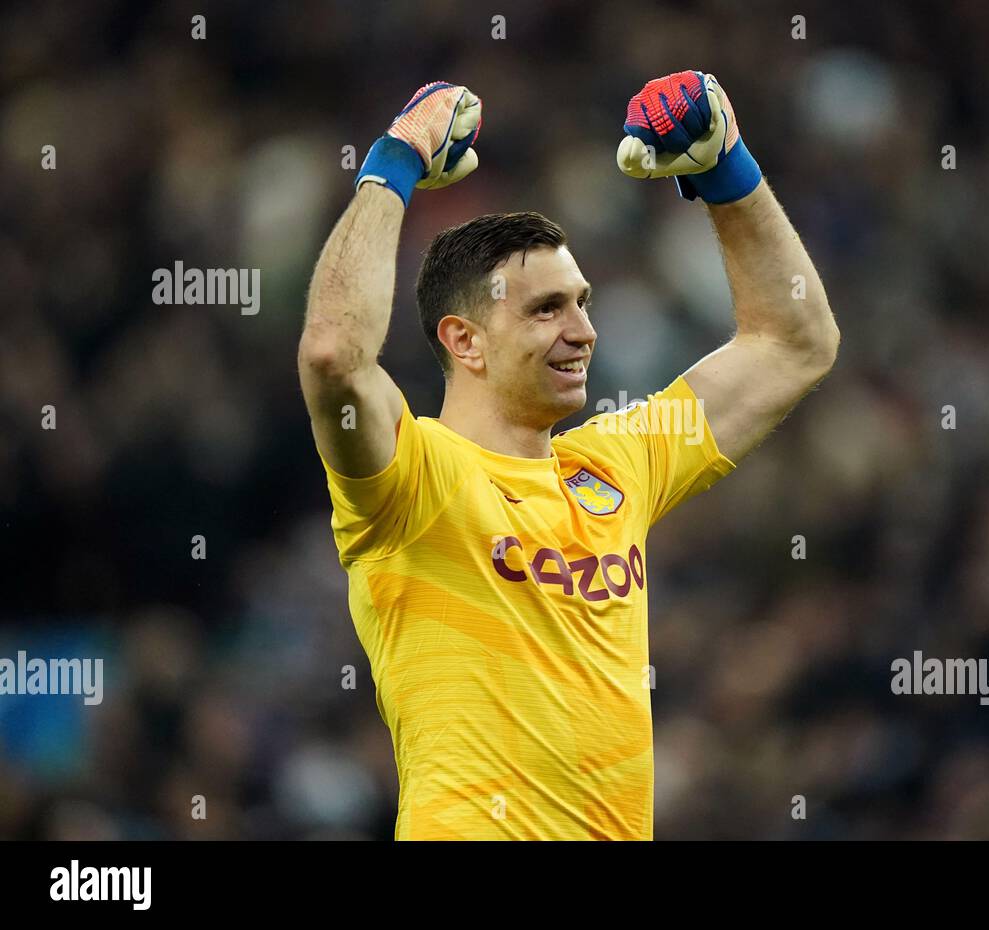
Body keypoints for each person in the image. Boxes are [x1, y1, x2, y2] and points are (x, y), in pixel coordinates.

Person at [297, 72, 839, 839]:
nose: (582, 330)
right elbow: (332, 354)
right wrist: (394, 161)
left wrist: (727, 171)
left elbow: (796, 343)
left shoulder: (617, 465)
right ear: (464, 340)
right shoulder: (410, 480)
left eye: (582, 302)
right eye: (547, 308)